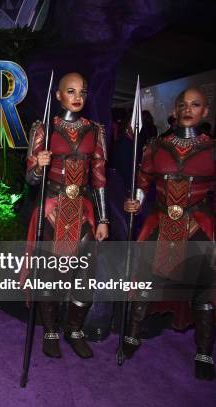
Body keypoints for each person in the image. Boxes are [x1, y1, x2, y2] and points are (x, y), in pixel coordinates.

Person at [122, 88, 214, 381]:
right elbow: (143, 180)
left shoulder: (212, 149)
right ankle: (133, 335)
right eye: (183, 105)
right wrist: (134, 200)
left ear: (205, 112)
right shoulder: (156, 147)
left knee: (205, 288)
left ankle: (203, 352)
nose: (188, 109)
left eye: (195, 105)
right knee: (144, 278)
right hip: (161, 221)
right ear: (175, 111)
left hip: (198, 223)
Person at [24, 72, 109, 359]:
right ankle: (50, 331)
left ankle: (74, 330)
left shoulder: (95, 130)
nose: (77, 97)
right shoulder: (43, 128)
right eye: (70, 91)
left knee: (84, 275)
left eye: (82, 92)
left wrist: (104, 220)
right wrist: (39, 166)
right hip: (51, 208)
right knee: (49, 276)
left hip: (83, 211)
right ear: (58, 96)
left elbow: (99, 178)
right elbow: (31, 180)